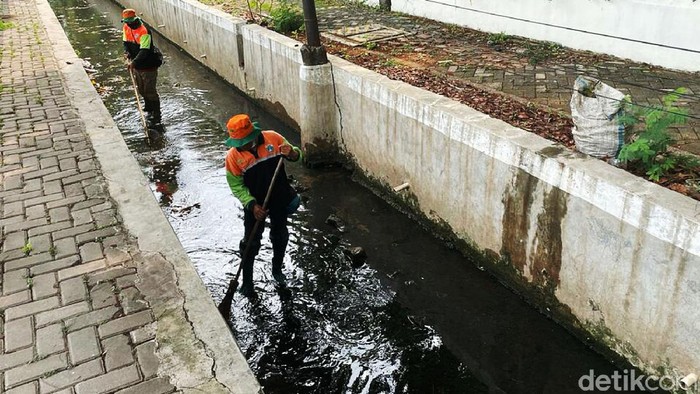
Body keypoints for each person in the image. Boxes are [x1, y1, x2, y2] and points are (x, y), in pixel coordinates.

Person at [224, 114, 302, 297]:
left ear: (253, 135)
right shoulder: (233, 157)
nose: (241, 146)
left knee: (280, 235)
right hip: (255, 203)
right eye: (238, 143)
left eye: (244, 142)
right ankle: (247, 281)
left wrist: (291, 153)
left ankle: (277, 270)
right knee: (250, 242)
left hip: (279, 196)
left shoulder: (273, 139)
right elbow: (236, 185)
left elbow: (297, 155)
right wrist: (251, 205)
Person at [121, 8, 163, 126]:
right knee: (141, 89)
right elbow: (125, 42)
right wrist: (127, 53)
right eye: (126, 22)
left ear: (135, 20)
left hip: (148, 65)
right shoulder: (126, 27)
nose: (128, 24)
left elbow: (144, 50)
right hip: (137, 65)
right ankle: (148, 108)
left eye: (130, 22)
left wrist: (133, 63)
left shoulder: (144, 31)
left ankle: (157, 114)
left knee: (150, 90)